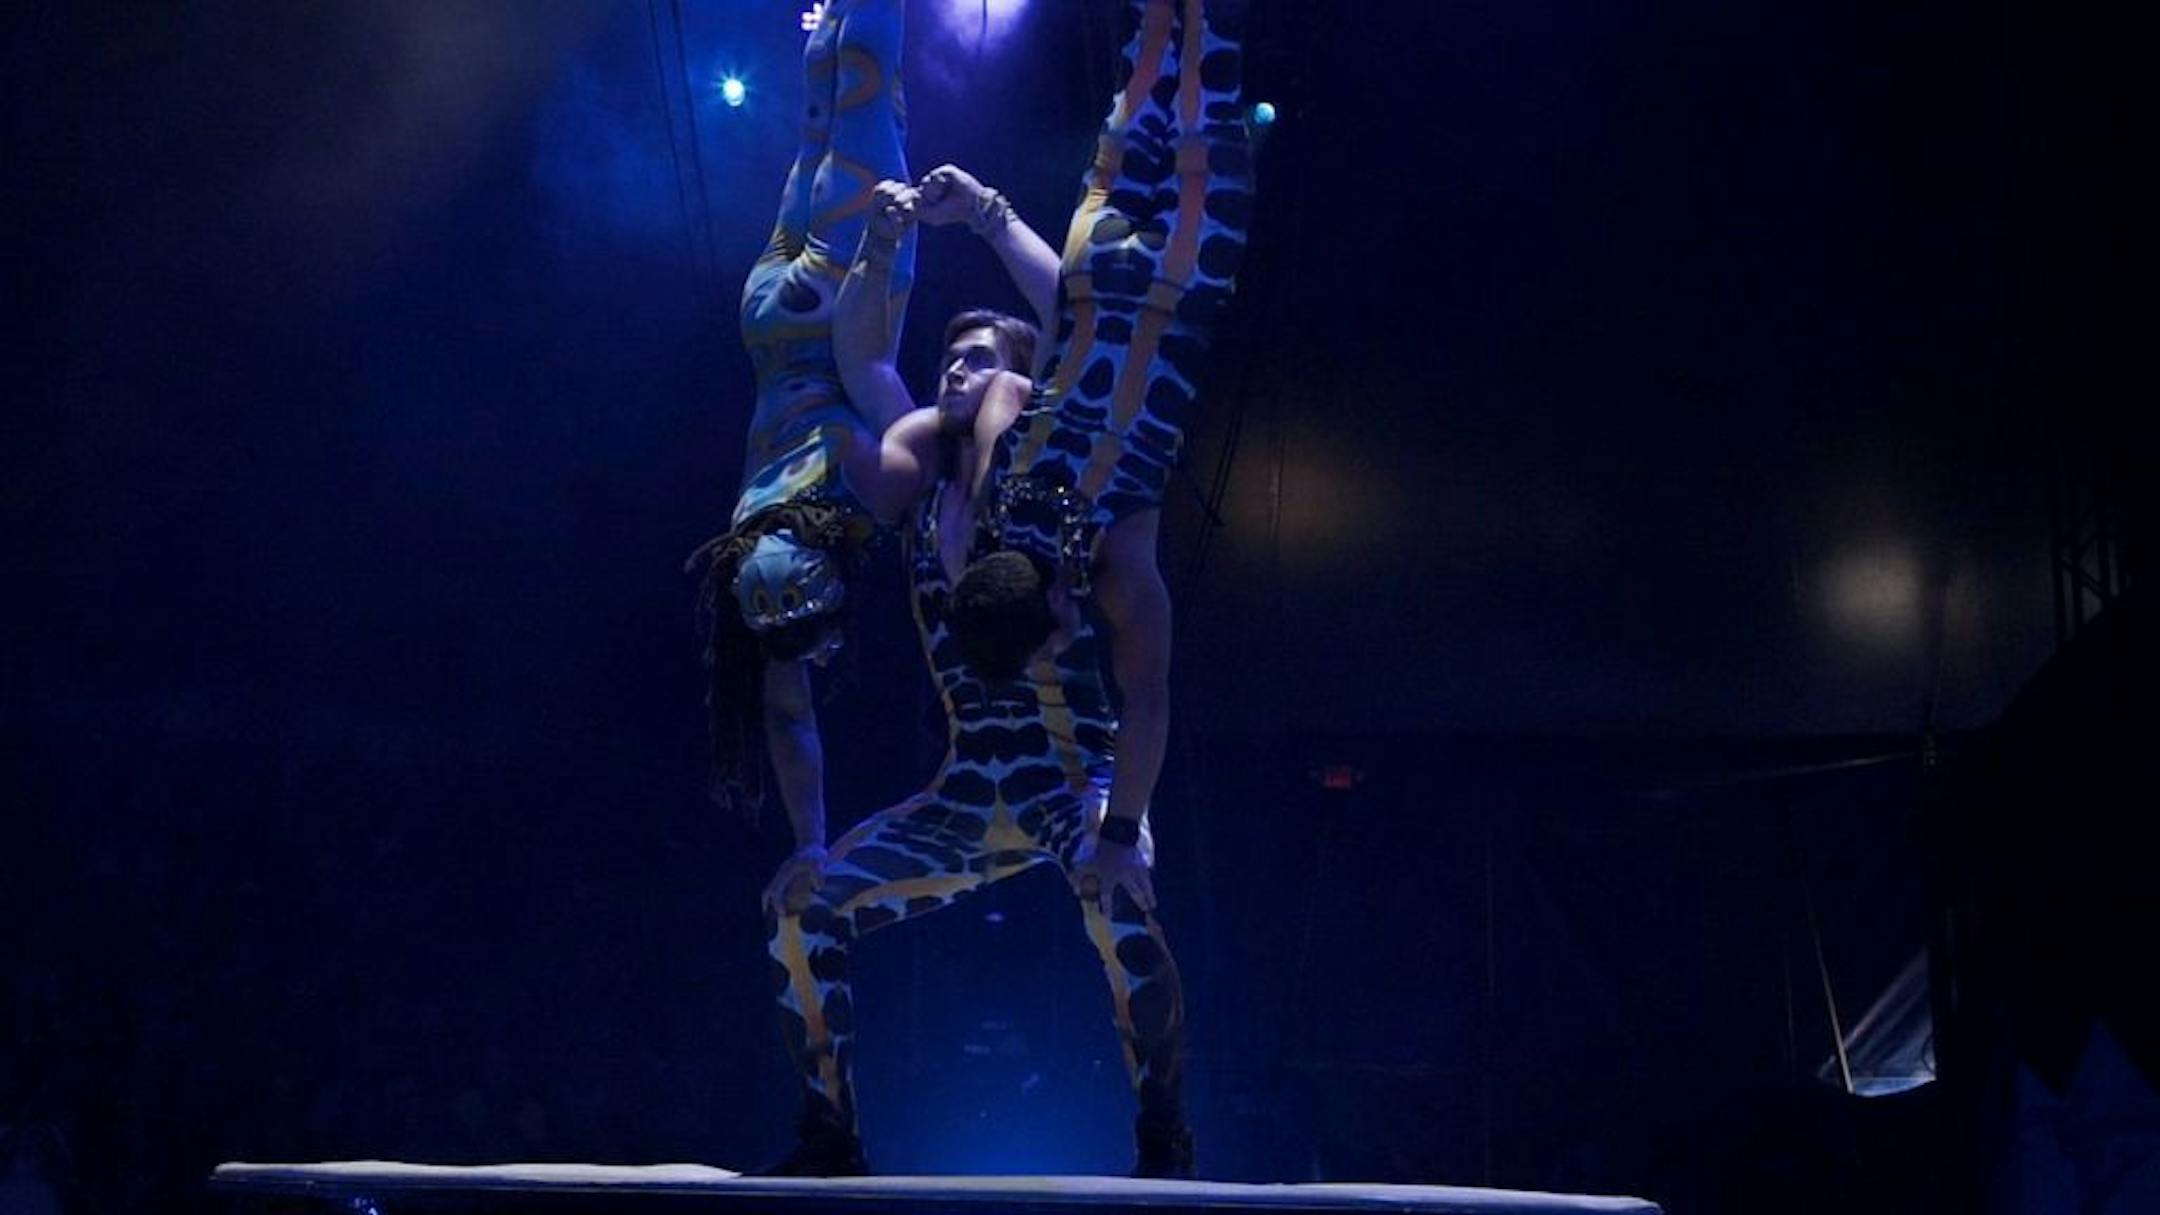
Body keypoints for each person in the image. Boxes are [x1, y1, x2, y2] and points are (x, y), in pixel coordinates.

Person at [750, 160, 1195, 1177]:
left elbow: (1084, 331)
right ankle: (831, 1135)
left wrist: (991, 214)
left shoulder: (1057, 479)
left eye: (981, 361)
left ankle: (1163, 1134)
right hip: (967, 793)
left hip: (1072, 778)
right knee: (806, 904)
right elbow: (862, 359)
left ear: (1022, 383)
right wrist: (882, 240)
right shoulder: (926, 470)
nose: (958, 373)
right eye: (950, 361)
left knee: (1117, 900)